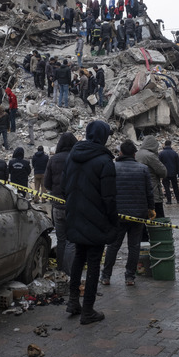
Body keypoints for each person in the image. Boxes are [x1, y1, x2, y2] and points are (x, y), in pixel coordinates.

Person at [64, 120, 118, 325]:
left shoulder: (72, 156)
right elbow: (109, 198)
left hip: (75, 216)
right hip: (97, 220)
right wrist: (113, 220)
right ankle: (88, 310)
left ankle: (72, 302)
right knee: (94, 263)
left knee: (79, 257)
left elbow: (64, 187)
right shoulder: (104, 161)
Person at [101, 140, 154, 287]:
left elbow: (107, 191)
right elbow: (149, 192)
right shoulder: (143, 169)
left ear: (120, 153)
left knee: (113, 246)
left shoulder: (113, 167)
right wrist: (151, 209)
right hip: (138, 215)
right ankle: (130, 277)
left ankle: (106, 276)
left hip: (117, 215)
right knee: (134, 246)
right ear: (134, 154)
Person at [45, 132, 77, 274]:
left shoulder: (53, 159)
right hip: (73, 206)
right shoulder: (77, 158)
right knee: (71, 240)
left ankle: (60, 269)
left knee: (61, 239)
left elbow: (47, 183)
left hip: (57, 207)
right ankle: (69, 271)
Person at [136, 136, 168, 218]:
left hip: (139, 193)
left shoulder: (137, 154)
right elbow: (163, 172)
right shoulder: (150, 156)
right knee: (158, 219)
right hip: (153, 192)